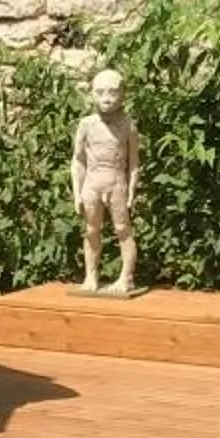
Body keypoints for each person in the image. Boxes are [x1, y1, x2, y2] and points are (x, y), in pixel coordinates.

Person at [70, 66, 140, 296]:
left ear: (122, 95)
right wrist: (76, 191)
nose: (106, 99)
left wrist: (131, 191)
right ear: (91, 94)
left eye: (112, 92)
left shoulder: (128, 125)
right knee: (91, 230)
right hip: (92, 182)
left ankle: (126, 277)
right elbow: (78, 160)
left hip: (116, 182)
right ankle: (91, 275)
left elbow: (134, 163)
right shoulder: (86, 124)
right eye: (100, 92)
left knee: (123, 229)